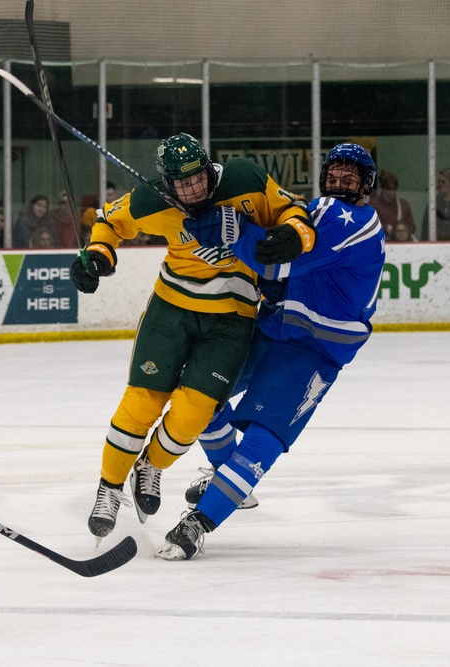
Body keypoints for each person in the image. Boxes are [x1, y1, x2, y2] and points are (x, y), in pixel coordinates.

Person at [157, 143, 386, 560]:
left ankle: (201, 520)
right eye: (334, 172)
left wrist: (231, 229)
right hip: (274, 326)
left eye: (350, 176)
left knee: (265, 435)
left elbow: (275, 262)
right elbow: (279, 261)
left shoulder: (356, 222)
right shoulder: (317, 208)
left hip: (314, 348)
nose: (339, 181)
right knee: (200, 392)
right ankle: (227, 478)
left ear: (367, 185)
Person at [77, 132, 309, 542]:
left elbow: (291, 210)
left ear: (209, 168)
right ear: (168, 183)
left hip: (232, 320)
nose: (194, 189)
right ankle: (109, 488)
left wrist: (294, 233)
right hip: (171, 311)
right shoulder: (152, 201)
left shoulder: (244, 180)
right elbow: (109, 222)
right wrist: (98, 255)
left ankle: (150, 465)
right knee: (141, 403)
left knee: (192, 415)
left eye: (199, 178)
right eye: (182, 184)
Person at [372, 169, 415, 241]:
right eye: (388, 189)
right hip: (380, 243)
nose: (391, 192)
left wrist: (403, 230)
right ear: (382, 189)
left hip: (402, 244)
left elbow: (412, 227)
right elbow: (369, 226)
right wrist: (385, 228)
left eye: (393, 189)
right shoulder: (373, 205)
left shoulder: (404, 205)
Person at [423, 167, 450, 240]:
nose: (440, 184)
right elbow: (426, 227)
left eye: (443, 182)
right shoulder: (433, 203)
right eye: (439, 182)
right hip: (435, 245)